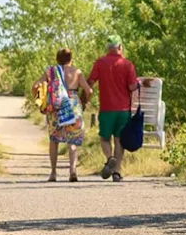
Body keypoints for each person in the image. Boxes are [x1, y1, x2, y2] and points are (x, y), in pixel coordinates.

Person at [33, 48, 91, 183]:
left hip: (56, 107)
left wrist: (39, 100)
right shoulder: (77, 72)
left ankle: (53, 172)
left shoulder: (50, 72)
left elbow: (36, 85)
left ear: (57, 59)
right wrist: (84, 101)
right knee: (73, 140)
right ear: (71, 59)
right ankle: (73, 171)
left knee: (54, 140)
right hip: (73, 106)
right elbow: (89, 90)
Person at [87, 36, 140, 182]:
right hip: (123, 110)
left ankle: (109, 158)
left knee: (104, 138)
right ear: (120, 47)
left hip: (106, 109)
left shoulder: (100, 63)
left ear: (108, 48)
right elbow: (131, 87)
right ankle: (116, 172)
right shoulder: (127, 64)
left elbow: (90, 82)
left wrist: (83, 99)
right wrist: (139, 84)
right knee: (119, 140)